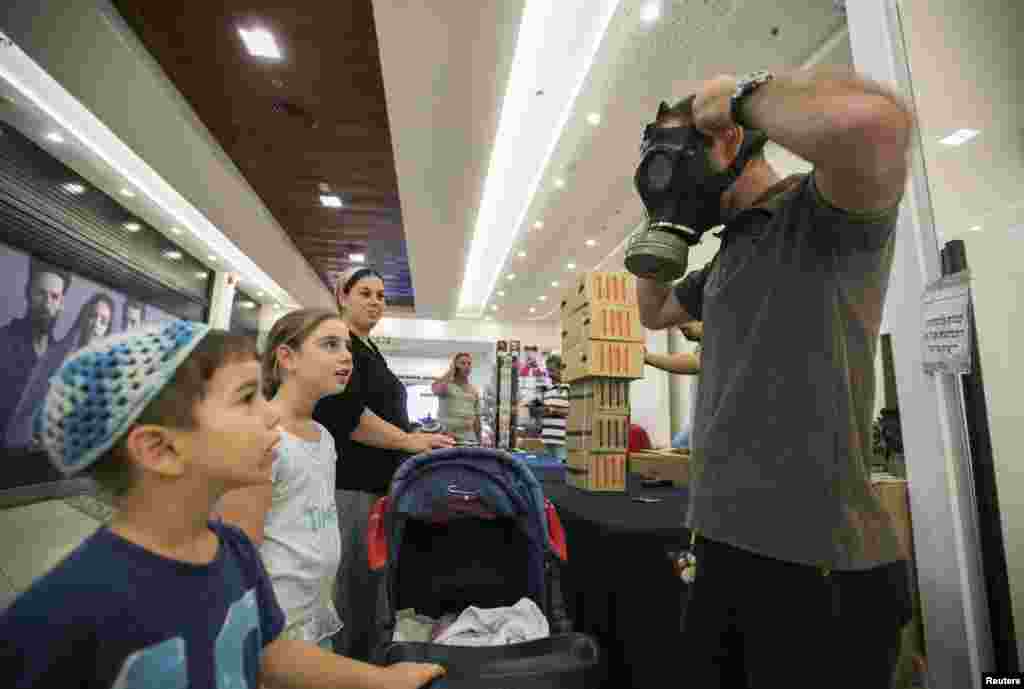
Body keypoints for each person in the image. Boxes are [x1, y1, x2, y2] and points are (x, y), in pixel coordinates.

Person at [633, 68, 914, 685]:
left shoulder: (819, 214)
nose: (668, 175)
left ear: (728, 139)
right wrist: (660, 226)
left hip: (815, 573)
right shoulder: (732, 251)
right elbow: (653, 312)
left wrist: (736, 97)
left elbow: (875, 126)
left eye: (677, 158)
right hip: (720, 551)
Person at [0, 320, 444, 688]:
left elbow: (271, 652)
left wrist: (382, 680)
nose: (271, 413)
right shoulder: (54, 618)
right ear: (159, 449)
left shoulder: (232, 551)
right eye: (245, 397)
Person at [313, 266, 453, 660]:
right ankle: (346, 670)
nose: (376, 302)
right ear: (343, 296)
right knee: (352, 586)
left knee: (369, 584)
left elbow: (380, 411)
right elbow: (349, 415)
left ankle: (368, 661)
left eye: (381, 295)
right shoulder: (339, 345)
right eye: (366, 294)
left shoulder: (366, 348)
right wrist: (408, 440)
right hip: (352, 483)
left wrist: (417, 440)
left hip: (376, 483)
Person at [217, 309, 352, 650]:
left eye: (347, 346)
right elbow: (238, 551)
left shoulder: (323, 436)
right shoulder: (264, 437)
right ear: (288, 357)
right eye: (330, 344)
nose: (347, 356)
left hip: (314, 612)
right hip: (276, 623)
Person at [4, 293, 116, 448]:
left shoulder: (105, 371)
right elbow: (31, 401)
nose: (96, 324)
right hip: (33, 443)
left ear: (107, 329)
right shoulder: (56, 355)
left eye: (103, 321)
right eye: (93, 316)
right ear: (83, 318)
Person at [0, 258, 70, 439]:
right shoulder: (3, 341)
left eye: (54, 297)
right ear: (27, 293)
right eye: (41, 293)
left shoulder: (62, 357)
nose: (47, 304)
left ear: (61, 303)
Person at [432, 352, 481, 443]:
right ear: (455, 366)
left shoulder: (473, 389)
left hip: (468, 437)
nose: (467, 366)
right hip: (447, 436)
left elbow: (477, 417)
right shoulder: (446, 385)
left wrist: (479, 440)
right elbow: (435, 390)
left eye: (469, 364)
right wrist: (450, 372)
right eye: (463, 363)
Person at [540, 353, 568, 460]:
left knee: (561, 472)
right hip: (547, 438)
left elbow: (572, 412)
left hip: (561, 440)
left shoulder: (568, 387)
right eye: (548, 371)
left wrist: (553, 410)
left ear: (561, 369)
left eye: (552, 370)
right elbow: (546, 412)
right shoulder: (548, 390)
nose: (549, 374)